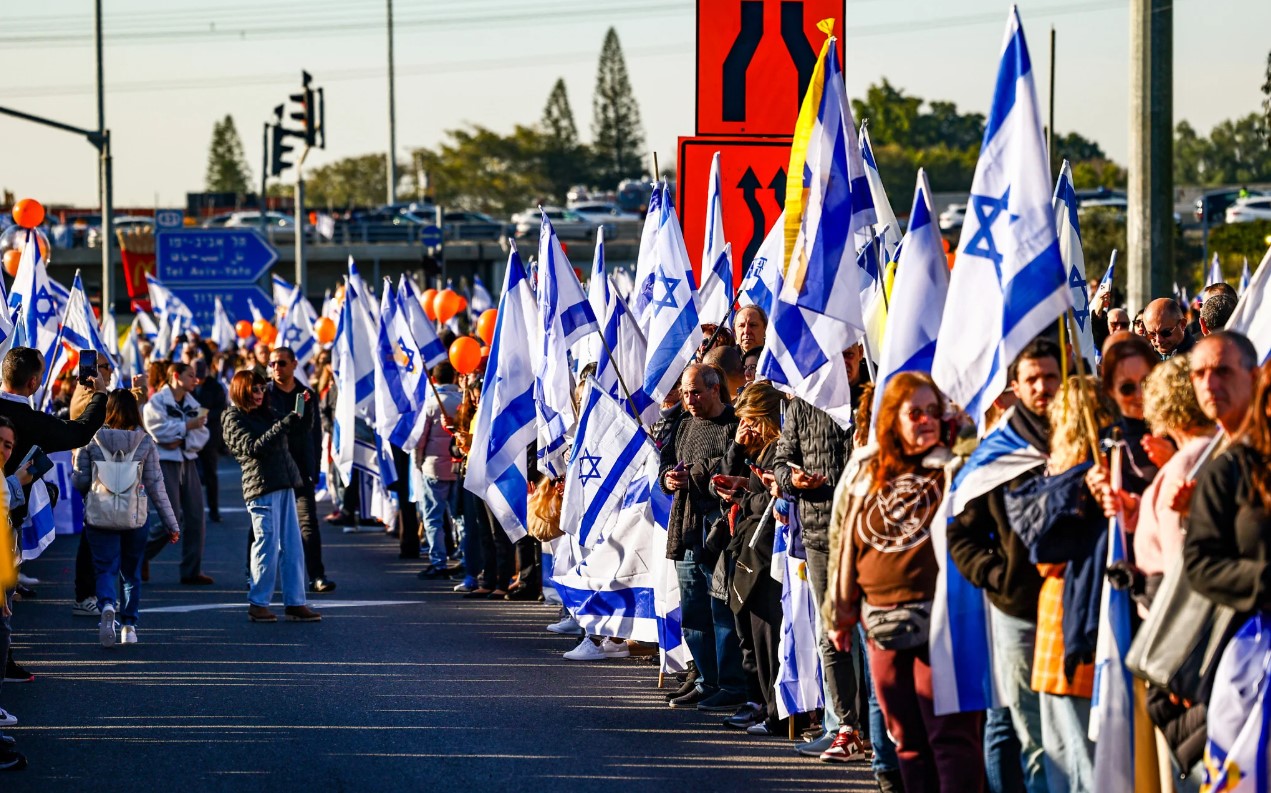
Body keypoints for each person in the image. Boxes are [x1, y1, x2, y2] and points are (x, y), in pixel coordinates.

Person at [826, 372, 985, 792]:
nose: (926, 421)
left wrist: (959, 423)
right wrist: (840, 611)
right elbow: (846, 543)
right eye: (915, 413)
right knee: (906, 739)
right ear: (893, 418)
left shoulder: (954, 466)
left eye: (934, 412)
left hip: (942, 623)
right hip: (880, 623)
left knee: (951, 735)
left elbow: (974, 446)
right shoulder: (868, 470)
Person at [947, 338, 1061, 793]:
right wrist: (999, 577)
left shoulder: (1082, 437)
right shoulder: (996, 453)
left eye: (1050, 377)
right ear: (1015, 386)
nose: (1042, 387)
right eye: (1032, 379)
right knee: (1029, 733)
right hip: (1018, 611)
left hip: (1075, 607)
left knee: (1070, 731)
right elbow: (962, 534)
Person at [772, 348, 867, 762]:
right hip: (821, 534)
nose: (844, 360)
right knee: (834, 633)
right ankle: (846, 727)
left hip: (871, 534)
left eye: (851, 352)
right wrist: (792, 480)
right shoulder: (803, 403)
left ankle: (881, 729)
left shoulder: (875, 397)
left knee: (873, 633)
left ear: (862, 353)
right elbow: (781, 461)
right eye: (837, 352)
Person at [659, 363, 745, 712]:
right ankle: (706, 680)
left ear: (715, 389)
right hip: (686, 525)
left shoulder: (733, 425)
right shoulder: (682, 425)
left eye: (696, 392)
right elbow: (665, 465)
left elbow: (730, 467)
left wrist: (693, 474)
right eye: (685, 393)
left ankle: (731, 684)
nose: (690, 399)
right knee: (693, 611)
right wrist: (669, 479)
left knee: (721, 608)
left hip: (719, 527)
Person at [72, 389, 180, 647]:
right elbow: (156, 486)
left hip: (100, 515)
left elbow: (79, 480)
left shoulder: (93, 439)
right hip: (135, 517)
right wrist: (171, 524)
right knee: (131, 573)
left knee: (105, 568)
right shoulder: (145, 442)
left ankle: (107, 605)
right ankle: (129, 626)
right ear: (134, 410)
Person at [221, 370, 321, 623]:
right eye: (254, 389)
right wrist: (285, 422)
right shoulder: (232, 416)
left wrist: (306, 409)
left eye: (262, 389)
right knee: (266, 544)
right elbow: (253, 448)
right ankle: (258, 602)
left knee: (293, 546)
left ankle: (296, 601)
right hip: (261, 487)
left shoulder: (267, 413)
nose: (259, 394)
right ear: (240, 389)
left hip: (285, 482)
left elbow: (298, 432)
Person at [714, 382, 785, 733]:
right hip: (745, 544)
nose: (747, 428)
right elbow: (727, 476)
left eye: (752, 421)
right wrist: (738, 448)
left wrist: (744, 496)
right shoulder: (753, 448)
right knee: (748, 631)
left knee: (767, 634)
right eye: (744, 421)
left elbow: (770, 503)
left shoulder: (779, 450)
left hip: (766, 550)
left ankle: (774, 712)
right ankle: (756, 701)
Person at [265, 347, 334, 593]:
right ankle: (255, 575)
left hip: (300, 469)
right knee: (264, 525)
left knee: (308, 523)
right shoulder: (264, 393)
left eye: (281, 363)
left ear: (294, 364)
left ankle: (317, 576)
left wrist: (314, 468)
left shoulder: (306, 395)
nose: (276, 368)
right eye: (272, 363)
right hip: (271, 470)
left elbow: (314, 434)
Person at [142, 362, 212, 585]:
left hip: (187, 461)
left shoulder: (194, 403)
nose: (195, 379)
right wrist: (184, 428)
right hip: (164, 462)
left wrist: (180, 438)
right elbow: (157, 430)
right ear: (175, 376)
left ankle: (191, 571)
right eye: (190, 375)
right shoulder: (157, 402)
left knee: (196, 517)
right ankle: (140, 555)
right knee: (169, 519)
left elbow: (203, 433)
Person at [416, 362, 462, 579]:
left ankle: (438, 561)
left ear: (433, 380)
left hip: (433, 468)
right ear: (454, 377)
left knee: (433, 518)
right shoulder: (463, 400)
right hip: (458, 467)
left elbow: (421, 438)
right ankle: (464, 558)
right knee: (459, 517)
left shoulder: (431, 404)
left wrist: (418, 461)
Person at [192, 358, 227, 523]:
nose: (198, 380)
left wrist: (205, 416)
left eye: (201, 376)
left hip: (210, 435)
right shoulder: (187, 386)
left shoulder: (215, 386)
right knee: (191, 476)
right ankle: (190, 511)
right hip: (190, 435)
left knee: (210, 474)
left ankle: (214, 509)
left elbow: (222, 408)